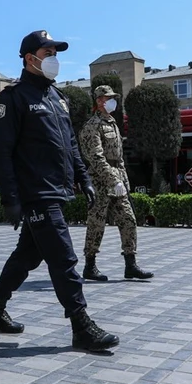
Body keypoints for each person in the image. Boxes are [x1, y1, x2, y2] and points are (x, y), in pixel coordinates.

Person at [0, 30, 120, 352]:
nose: (55, 59)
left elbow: (70, 144)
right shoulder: (11, 99)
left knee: (28, 255)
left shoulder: (58, 98)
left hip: (56, 189)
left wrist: (83, 178)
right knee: (63, 257)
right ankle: (81, 325)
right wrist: (10, 198)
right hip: (35, 192)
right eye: (49, 53)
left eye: (56, 53)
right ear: (30, 59)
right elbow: (0, 153)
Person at [78, 85, 153, 282]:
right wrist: (112, 179)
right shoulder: (92, 126)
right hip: (99, 181)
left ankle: (131, 265)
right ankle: (90, 265)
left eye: (113, 97)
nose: (113, 101)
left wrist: (123, 182)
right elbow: (96, 157)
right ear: (100, 101)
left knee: (128, 219)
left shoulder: (112, 123)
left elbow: (119, 158)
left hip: (117, 180)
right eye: (109, 97)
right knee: (96, 224)